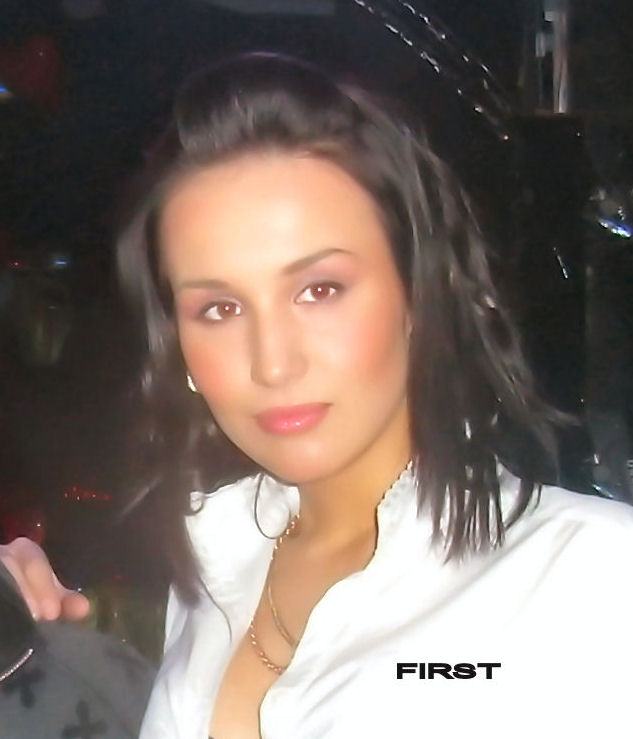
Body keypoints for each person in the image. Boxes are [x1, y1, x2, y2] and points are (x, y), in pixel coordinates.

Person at [2, 52, 633, 738]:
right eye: (219, 309)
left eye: (319, 290)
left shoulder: (593, 578)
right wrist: (37, 642)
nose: (274, 364)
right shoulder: (210, 567)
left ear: (419, 297)